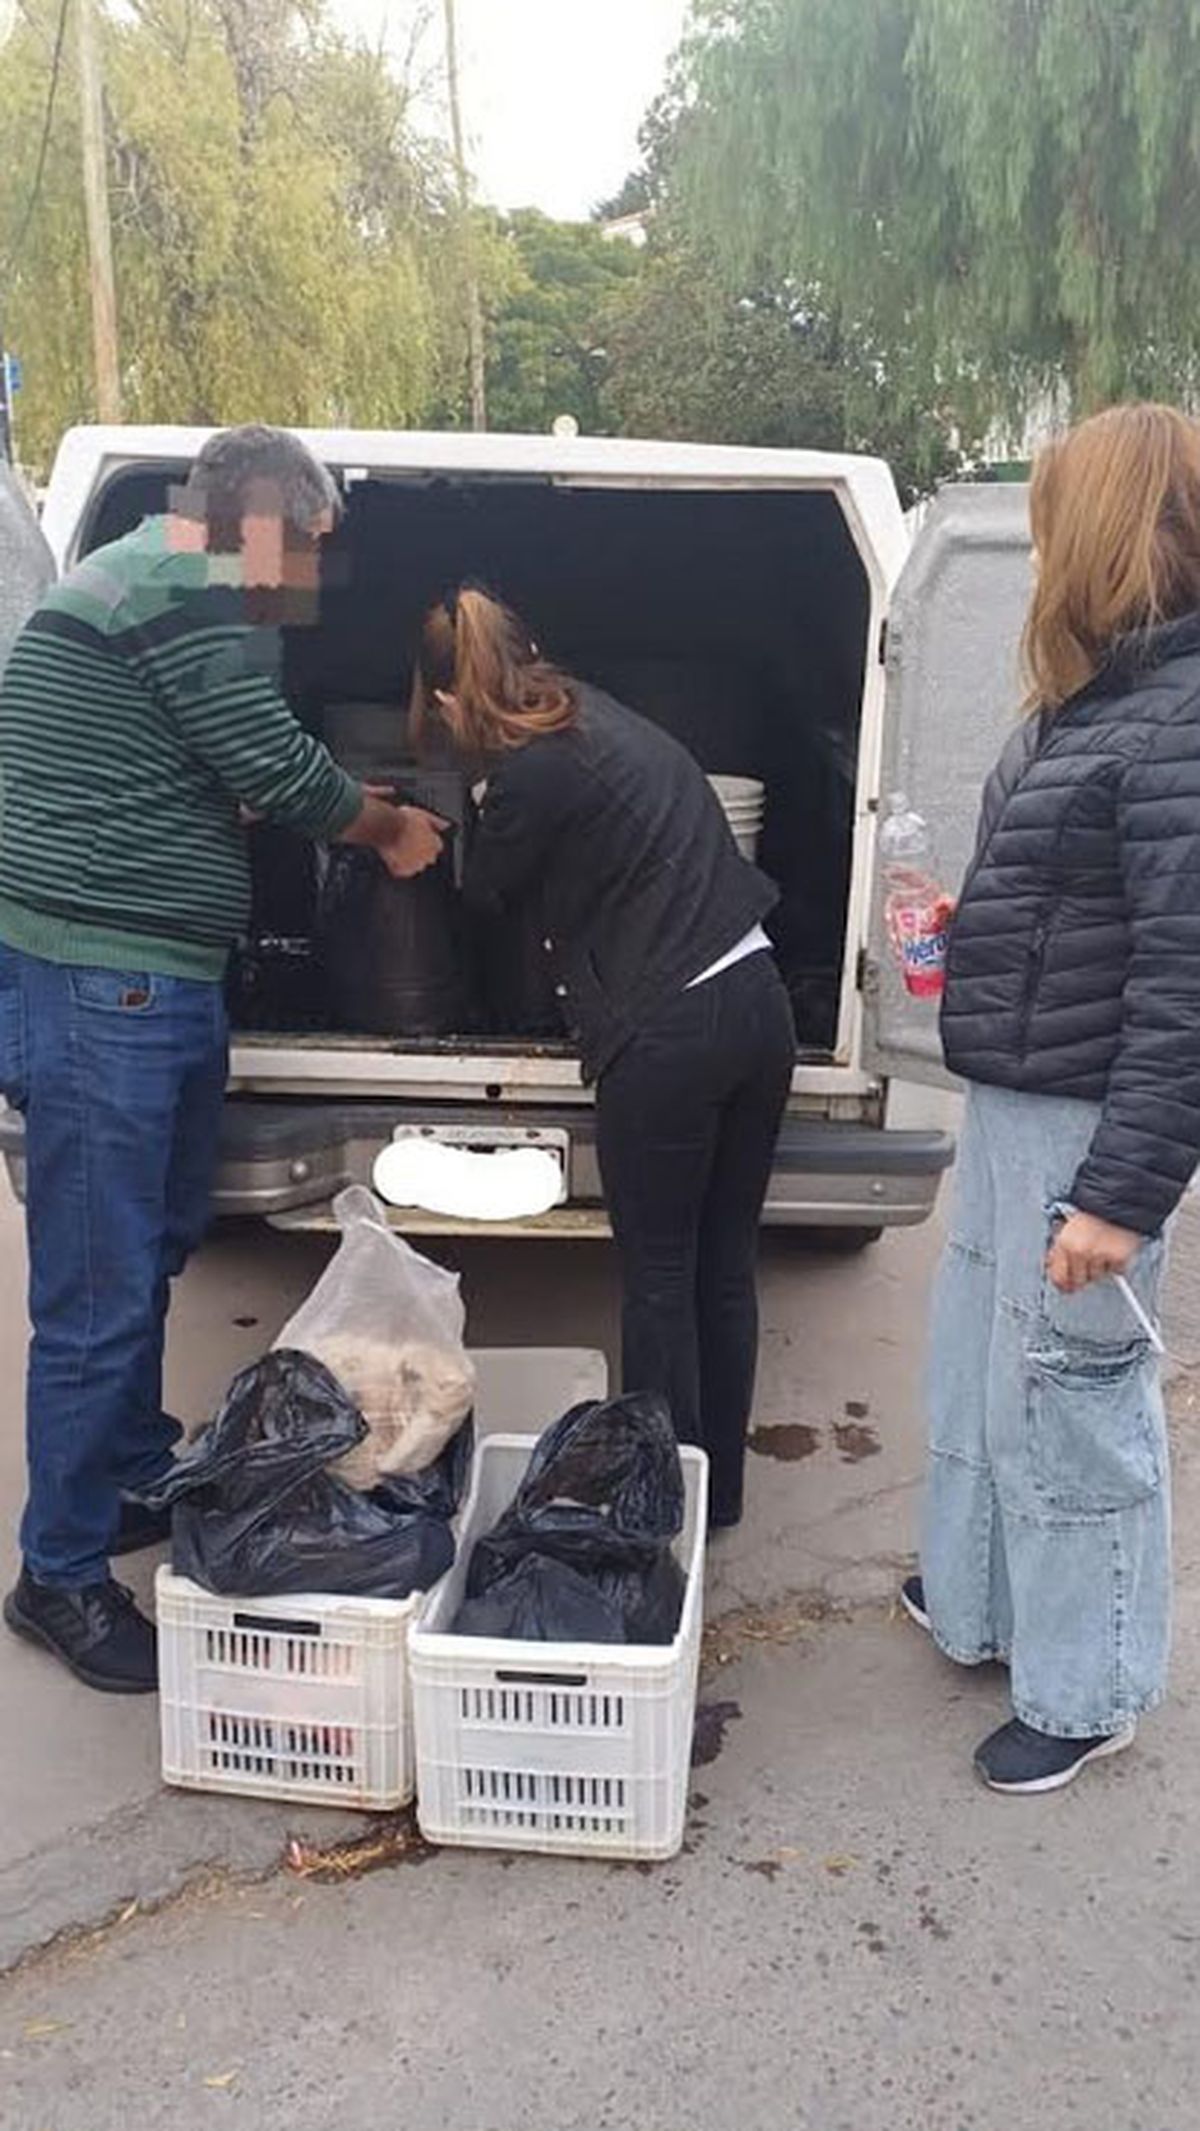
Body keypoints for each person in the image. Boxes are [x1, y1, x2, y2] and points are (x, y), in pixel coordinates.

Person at [0, 423, 444, 1693]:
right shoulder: (183, 587)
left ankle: (131, 1467)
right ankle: (61, 1575)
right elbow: (266, 760)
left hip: (145, 975)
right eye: (303, 552)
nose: (304, 584)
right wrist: (384, 827)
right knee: (97, 1292)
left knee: (147, 1253)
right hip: (101, 982)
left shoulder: (151, 575)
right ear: (259, 522)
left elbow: (209, 757)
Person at [902, 403, 1200, 1793]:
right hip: (1019, 1109)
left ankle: (1090, 1687)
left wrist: (1122, 1199)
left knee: (1076, 1408)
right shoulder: (1103, 697)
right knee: (985, 1373)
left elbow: (1187, 985)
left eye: (1048, 526)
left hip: (1087, 1126)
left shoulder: (1180, 718)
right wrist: (987, 916)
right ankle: (984, 1608)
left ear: (1104, 534)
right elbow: (1100, 911)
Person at [413, 584, 796, 1529]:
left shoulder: (530, 774)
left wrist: (472, 804)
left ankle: (657, 1504)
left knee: (659, 1276)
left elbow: (487, 893)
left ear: (456, 701)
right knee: (723, 1267)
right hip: (759, 1002)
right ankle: (719, 1496)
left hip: (671, 1029)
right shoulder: (596, 713)